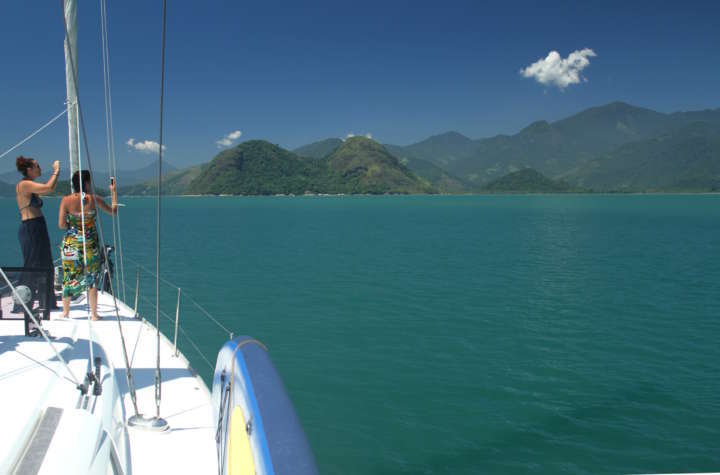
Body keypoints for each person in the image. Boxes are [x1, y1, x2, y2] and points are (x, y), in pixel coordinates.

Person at [58, 170, 117, 320]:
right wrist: (114, 192)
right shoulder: (94, 199)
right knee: (92, 278)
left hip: (71, 244)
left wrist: (73, 225)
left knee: (69, 276)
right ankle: (94, 315)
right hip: (90, 244)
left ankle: (66, 312)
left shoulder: (66, 200)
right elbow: (113, 211)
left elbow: (61, 225)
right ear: (86, 183)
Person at [16, 156, 60, 312]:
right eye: (37, 165)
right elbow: (49, 188)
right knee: (32, 264)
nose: (40, 168)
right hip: (31, 228)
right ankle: (21, 304)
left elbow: (44, 190)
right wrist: (56, 171)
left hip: (38, 226)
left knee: (46, 263)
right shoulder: (24, 184)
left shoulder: (31, 185)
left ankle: (47, 302)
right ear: (29, 169)